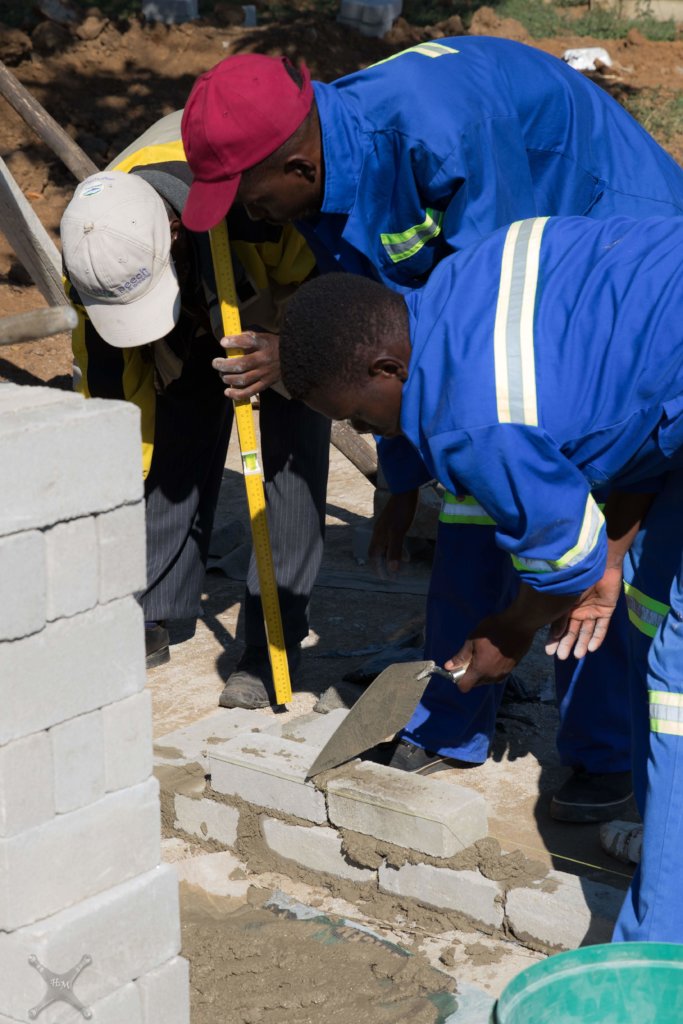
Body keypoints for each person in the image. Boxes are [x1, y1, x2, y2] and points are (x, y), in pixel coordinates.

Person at [180, 40, 683, 820]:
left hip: (611, 251)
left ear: (296, 167)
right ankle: (451, 716)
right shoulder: (325, 176)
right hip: (502, 321)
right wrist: (400, 479)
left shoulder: (441, 133)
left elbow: (490, 365)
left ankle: (601, 750)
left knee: (577, 508)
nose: (249, 216)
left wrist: (521, 617)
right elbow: (398, 332)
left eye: (248, 196)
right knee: (482, 495)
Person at [276, 213, 683, 943]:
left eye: (357, 417)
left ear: (385, 370)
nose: (371, 433)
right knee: (652, 619)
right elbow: (637, 405)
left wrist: (507, 631)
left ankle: (657, 950)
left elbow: (563, 560)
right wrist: (616, 553)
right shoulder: (458, 287)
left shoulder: (470, 416)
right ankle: (666, 841)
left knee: (676, 680)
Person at [61, 118, 330, 708]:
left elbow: (326, 287)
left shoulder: (258, 201)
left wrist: (290, 357)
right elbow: (113, 403)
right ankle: (154, 605)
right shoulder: (95, 247)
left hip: (289, 301)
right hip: (193, 283)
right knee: (170, 411)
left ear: (177, 233)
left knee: (287, 449)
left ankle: (271, 647)